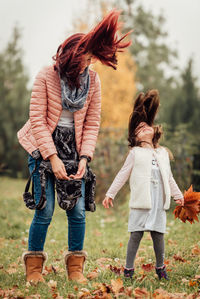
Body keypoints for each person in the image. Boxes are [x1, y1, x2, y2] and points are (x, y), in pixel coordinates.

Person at [17, 10, 131, 284]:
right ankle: (34, 269)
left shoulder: (93, 82)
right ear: (71, 55)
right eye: (86, 59)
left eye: (92, 60)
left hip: (74, 152)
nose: (88, 65)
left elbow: (92, 124)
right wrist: (52, 157)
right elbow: (37, 119)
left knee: (77, 210)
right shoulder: (46, 75)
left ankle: (75, 269)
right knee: (44, 210)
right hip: (43, 147)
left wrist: (84, 158)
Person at [102, 89, 184, 280]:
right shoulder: (135, 154)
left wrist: (177, 195)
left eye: (147, 125)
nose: (144, 128)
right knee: (135, 235)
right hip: (141, 202)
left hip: (158, 204)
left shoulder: (162, 153)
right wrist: (110, 193)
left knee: (158, 236)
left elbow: (169, 177)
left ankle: (160, 267)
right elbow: (122, 174)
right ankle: (128, 269)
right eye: (139, 128)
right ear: (135, 137)